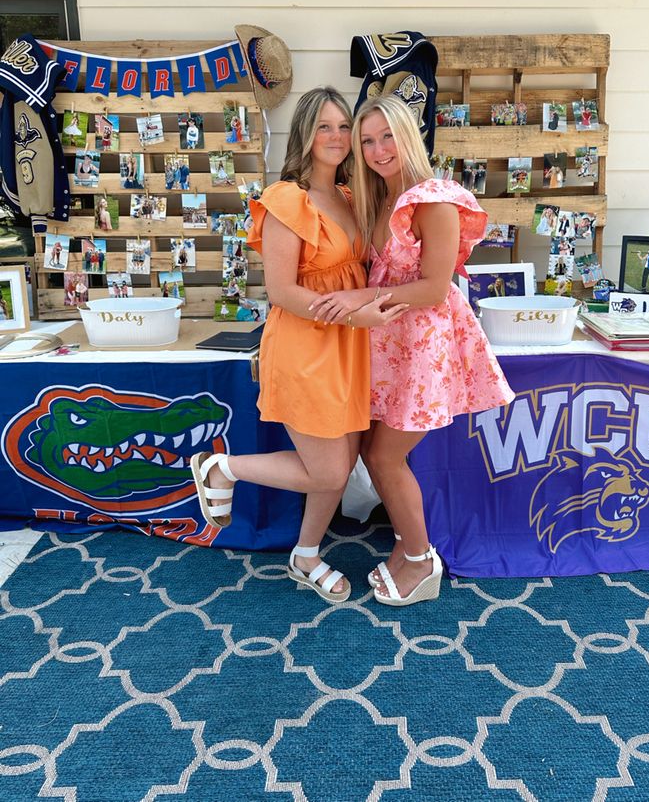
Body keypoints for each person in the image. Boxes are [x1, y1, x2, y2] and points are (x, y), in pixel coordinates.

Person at [188, 87, 406, 604]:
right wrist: (357, 310)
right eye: (323, 127)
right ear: (305, 134)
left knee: (342, 461)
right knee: (328, 469)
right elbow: (283, 291)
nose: (335, 137)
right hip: (307, 345)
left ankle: (305, 556)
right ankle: (223, 467)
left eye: (341, 127)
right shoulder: (287, 197)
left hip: (351, 344)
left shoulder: (354, 195)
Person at [310, 96, 514, 607]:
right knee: (376, 456)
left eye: (388, 136)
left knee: (384, 456)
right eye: (367, 140)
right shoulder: (374, 198)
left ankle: (422, 563)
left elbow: (433, 288)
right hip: (387, 348)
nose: (378, 150)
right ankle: (406, 550)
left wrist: (360, 297)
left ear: (411, 135)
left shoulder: (434, 198)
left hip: (425, 352)